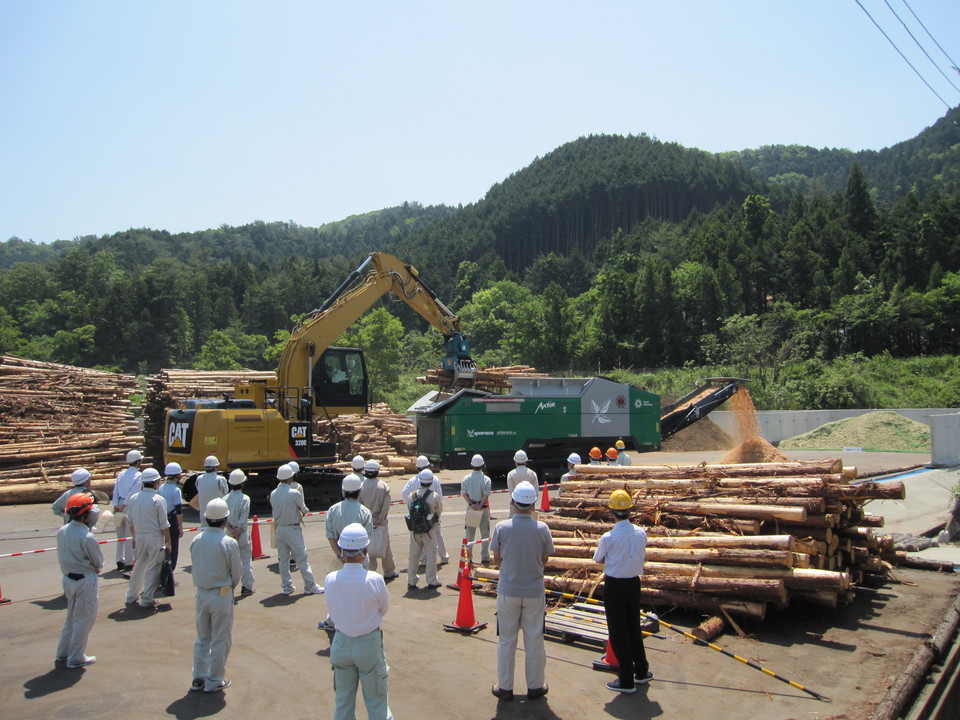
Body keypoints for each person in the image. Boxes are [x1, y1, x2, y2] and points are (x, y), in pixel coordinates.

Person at [490, 481, 554, 702]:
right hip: (534, 591)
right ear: (534, 503)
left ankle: (505, 687)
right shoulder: (542, 528)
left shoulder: (501, 527)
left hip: (508, 590)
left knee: (507, 640)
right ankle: (535, 686)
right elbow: (545, 559)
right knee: (534, 639)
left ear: (512, 502)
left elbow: (496, 559)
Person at [325, 523, 393, 720]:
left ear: (342, 552)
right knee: (377, 702)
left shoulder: (331, 579)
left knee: (343, 702)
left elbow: (332, 608)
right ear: (365, 550)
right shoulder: (374, 579)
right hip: (368, 644)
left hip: (341, 643)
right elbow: (383, 608)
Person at [593, 489, 652, 693]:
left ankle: (626, 679)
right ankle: (642, 671)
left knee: (618, 631)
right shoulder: (641, 533)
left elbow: (597, 559)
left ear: (611, 511)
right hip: (634, 584)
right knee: (634, 627)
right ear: (630, 510)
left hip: (615, 586)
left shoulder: (608, 537)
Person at [189, 497, 241, 694]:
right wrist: (230, 587)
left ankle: (198, 677)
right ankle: (214, 680)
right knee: (220, 638)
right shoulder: (228, 543)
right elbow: (236, 572)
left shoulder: (196, 540)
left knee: (202, 638)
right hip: (221, 593)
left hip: (201, 594)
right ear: (225, 519)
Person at [319, 473, 374, 631]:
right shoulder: (365, 512)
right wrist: (360, 556)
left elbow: (330, 535)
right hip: (361, 558)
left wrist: (340, 554)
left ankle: (332, 621)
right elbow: (367, 538)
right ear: (359, 491)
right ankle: (358, 622)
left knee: (338, 593)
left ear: (343, 491)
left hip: (340, 556)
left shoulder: (333, 509)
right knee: (360, 593)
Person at [55, 492, 103, 668]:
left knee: (71, 617)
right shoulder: (87, 537)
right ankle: (76, 657)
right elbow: (98, 561)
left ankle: (63, 652)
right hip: (85, 580)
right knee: (84, 619)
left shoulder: (63, 531)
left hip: (68, 579)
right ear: (84, 515)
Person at [269, 464, 323, 595]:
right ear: (291, 477)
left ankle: (287, 586)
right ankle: (310, 585)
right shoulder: (294, 492)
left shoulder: (273, 493)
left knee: (283, 559)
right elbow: (303, 509)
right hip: (292, 529)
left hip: (280, 529)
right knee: (302, 558)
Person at [124, 468, 172, 609]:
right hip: (154, 537)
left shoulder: (134, 498)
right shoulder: (158, 500)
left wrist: (134, 536)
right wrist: (168, 541)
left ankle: (131, 595)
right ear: (156, 482)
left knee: (139, 566)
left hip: (140, 536)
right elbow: (164, 524)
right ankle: (147, 598)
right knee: (153, 568)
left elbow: (130, 520)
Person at [401, 456, 449, 565]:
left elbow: (404, 494)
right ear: (427, 466)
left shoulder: (413, 480)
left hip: (418, 514)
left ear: (417, 467)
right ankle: (444, 556)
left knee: (419, 536)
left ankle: (423, 559)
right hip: (432, 513)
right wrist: (437, 513)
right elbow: (440, 498)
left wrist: (412, 507)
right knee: (437, 535)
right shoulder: (434, 479)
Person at [359, 459, 399, 579]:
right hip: (380, 521)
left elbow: (359, 505)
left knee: (368, 547)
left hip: (365, 521)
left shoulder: (361, 487)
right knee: (385, 546)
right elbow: (386, 505)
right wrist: (380, 518)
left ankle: (370, 572)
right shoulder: (383, 486)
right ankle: (389, 571)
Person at [406, 469, 442, 590]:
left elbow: (408, 508)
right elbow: (438, 512)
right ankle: (432, 580)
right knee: (431, 555)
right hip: (429, 530)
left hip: (415, 530)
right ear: (431, 482)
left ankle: (411, 580)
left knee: (414, 555)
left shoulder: (412, 495)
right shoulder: (434, 496)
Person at [225, 469, 255, 595]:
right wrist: (238, 532)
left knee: (229, 563)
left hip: (229, 534)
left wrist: (231, 531)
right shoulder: (245, 499)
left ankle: (228, 587)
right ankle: (247, 587)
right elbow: (243, 520)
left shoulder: (224, 498)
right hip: (241, 534)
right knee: (246, 561)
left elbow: (224, 518)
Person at [112, 449, 143, 571]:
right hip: (129, 506)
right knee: (129, 534)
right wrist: (124, 505)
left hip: (119, 504)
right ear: (138, 462)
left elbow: (115, 491)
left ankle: (119, 559)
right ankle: (129, 562)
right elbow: (133, 492)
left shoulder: (121, 474)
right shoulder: (139, 476)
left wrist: (116, 505)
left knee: (119, 534)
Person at [460, 454, 492, 565]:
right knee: (485, 533)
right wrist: (480, 505)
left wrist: (471, 504)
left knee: (470, 534)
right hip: (482, 508)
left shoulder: (466, 478)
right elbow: (486, 495)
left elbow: (463, 493)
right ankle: (485, 556)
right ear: (482, 465)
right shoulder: (486, 479)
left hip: (471, 508)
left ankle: (468, 557)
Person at [159, 462, 185, 570]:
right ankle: (170, 574)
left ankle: (162, 572)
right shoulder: (176, 490)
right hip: (172, 521)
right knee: (173, 550)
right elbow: (178, 511)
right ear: (178, 476)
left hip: (161, 520)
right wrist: (180, 527)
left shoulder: (161, 487)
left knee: (163, 547)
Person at [196, 455, 227, 528]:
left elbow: (198, 490)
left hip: (204, 513)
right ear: (216, 467)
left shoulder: (199, 479)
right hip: (219, 514)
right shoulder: (220, 479)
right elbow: (225, 493)